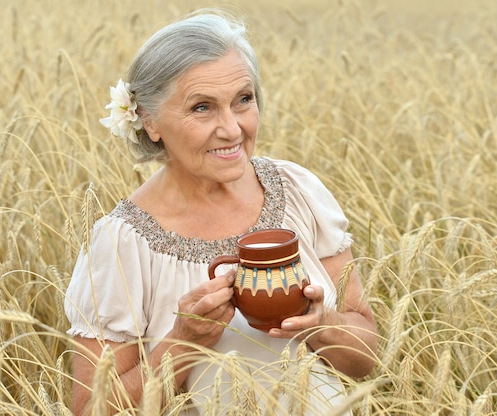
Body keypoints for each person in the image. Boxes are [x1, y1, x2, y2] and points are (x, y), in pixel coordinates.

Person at [64, 9, 378, 416]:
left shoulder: (298, 190)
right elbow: (89, 408)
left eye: (243, 100)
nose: (232, 129)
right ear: (150, 122)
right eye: (202, 108)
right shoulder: (121, 244)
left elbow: (365, 359)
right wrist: (182, 342)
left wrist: (323, 323)